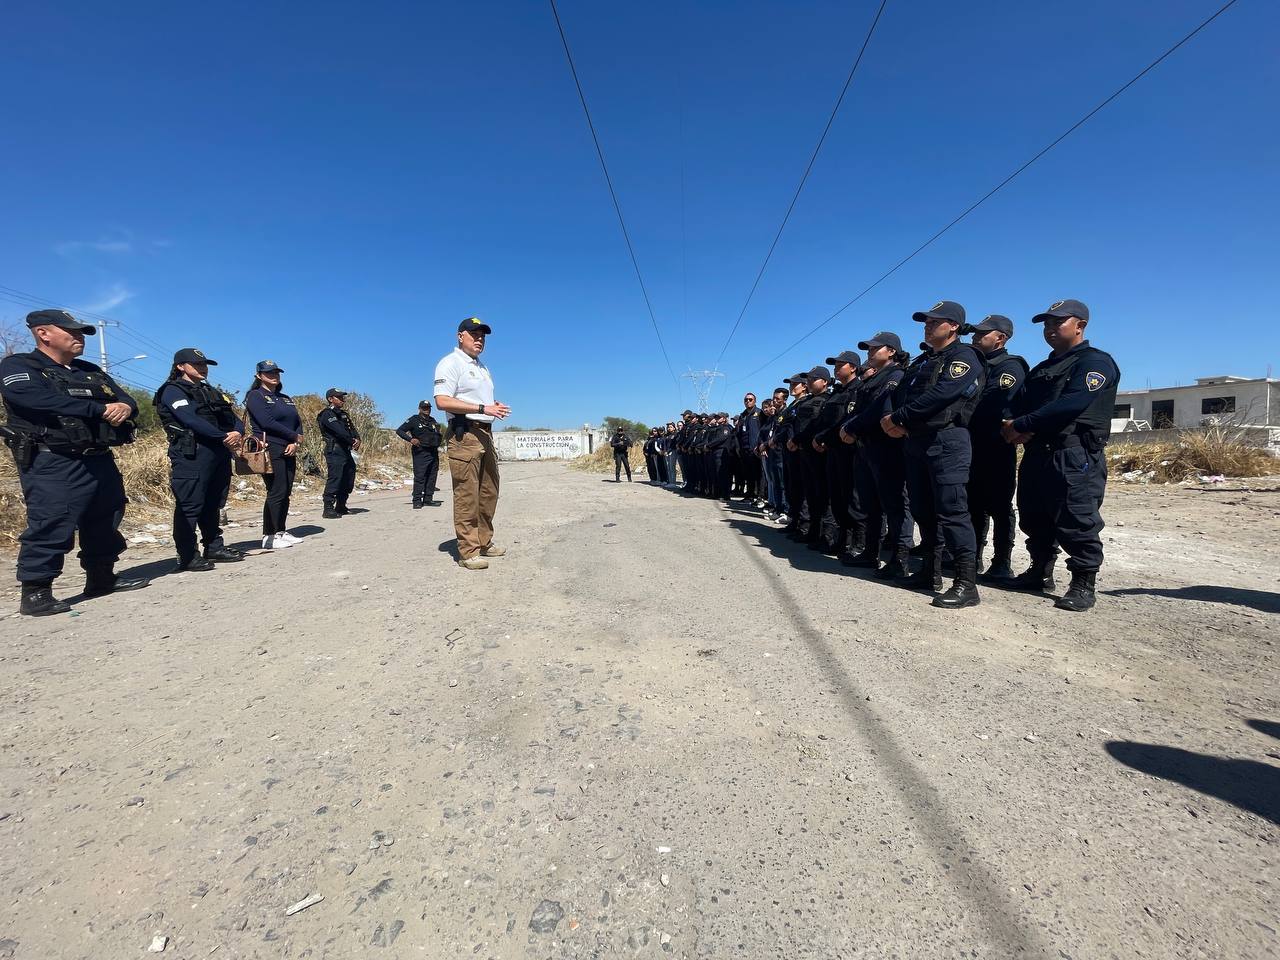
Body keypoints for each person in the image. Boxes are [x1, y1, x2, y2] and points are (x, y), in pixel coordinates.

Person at [0, 309, 150, 615]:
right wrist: (98, 410)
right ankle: (36, 591)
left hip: (98, 457)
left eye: (82, 332)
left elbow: (126, 400)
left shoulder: (89, 370)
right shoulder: (20, 367)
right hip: (53, 460)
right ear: (43, 333)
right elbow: (35, 399)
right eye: (72, 331)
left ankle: (101, 578)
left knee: (106, 517)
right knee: (52, 521)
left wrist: (125, 405)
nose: (80, 337)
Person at [1002, 299, 1119, 612]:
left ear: (1080, 325)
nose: (1050, 329)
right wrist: (1010, 423)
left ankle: (1083, 582)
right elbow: (1018, 403)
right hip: (1037, 452)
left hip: (1074, 453)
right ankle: (1039, 571)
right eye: (1047, 324)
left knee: (1076, 518)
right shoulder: (1043, 368)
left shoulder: (1095, 362)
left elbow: (1071, 402)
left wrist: (1023, 424)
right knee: (1034, 514)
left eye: (1058, 322)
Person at [882, 301, 985, 609]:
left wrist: (899, 419)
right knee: (923, 510)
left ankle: (966, 584)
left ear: (953, 326)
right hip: (917, 442)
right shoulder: (922, 361)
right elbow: (898, 394)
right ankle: (930, 572)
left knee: (952, 512)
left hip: (947, 442)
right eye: (925, 322)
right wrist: (895, 419)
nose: (927, 326)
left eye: (934, 321)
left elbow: (943, 395)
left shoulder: (964, 356)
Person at [153, 348, 246, 572]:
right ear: (180, 366)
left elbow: (233, 418)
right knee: (190, 505)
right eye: (197, 364)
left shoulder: (210, 391)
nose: (203, 368)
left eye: (204, 364)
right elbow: (190, 419)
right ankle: (187, 555)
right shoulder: (172, 391)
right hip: (192, 454)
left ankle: (214, 547)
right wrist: (224, 436)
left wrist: (237, 432)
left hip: (218, 453)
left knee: (214, 503)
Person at [434, 317, 510, 570]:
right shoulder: (450, 363)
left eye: (483, 336)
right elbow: (442, 401)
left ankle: (484, 541)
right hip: (463, 434)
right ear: (460, 336)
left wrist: (491, 407)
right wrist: (482, 408)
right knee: (467, 493)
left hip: (485, 433)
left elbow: (481, 401)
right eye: (474, 334)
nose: (479, 339)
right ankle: (468, 551)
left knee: (489, 491)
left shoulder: (482, 367)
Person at [841, 332, 912, 577]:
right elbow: (860, 409)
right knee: (870, 504)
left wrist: (851, 427)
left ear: (891, 351)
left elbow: (879, 408)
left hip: (885, 448)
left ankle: (900, 558)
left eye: (874, 349)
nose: (869, 353)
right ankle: (870, 553)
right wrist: (850, 427)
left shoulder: (896, 375)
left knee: (894, 504)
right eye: (868, 349)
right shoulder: (871, 380)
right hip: (866, 447)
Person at [966, 316, 1028, 581]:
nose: (974, 338)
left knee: (1000, 506)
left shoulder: (1009, 366)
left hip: (995, 444)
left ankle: (1002, 561)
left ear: (1000, 338)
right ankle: (972, 558)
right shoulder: (974, 364)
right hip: (971, 444)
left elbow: (994, 404)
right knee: (973, 504)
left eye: (981, 334)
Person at [244, 360, 305, 550]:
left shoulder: (285, 398)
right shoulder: (256, 396)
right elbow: (266, 421)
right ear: (259, 376)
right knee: (276, 490)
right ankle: (269, 534)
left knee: (285, 491)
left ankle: (280, 531)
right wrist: (293, 436)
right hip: (270, 447)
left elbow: (296, 420)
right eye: (269, 373)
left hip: (289, 447)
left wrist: (295, 441)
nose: (274, 376)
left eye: (276, 373)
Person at [814, 351, 863, 558]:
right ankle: (842, 539)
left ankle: (858, 543)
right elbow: (826, 421)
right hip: (833, 449)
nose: (836, 367)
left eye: (840, 364)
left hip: (848, 450)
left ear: (852, 367)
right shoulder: (836, 392)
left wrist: (824, 436)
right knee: (837, 498)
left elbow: (845, 421)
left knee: (852, 498)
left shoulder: (858, 389)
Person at [790, 367, 831, 546]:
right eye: (808, 379)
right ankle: (812, 531)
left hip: (819, 451)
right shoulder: (806, 402)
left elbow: (819, 425)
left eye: (814, 378)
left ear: (825, 382)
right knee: (810, 494)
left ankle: (826, 534)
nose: (809, 381)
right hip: (804, 451)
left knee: (822, 494)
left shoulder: (827, 400)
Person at [317, 387, 361, 519]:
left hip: (346, 449)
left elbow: (351, 429)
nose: (343, 400)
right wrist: (350, 440)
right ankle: (328, 508)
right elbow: (338, 431)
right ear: (331, 399)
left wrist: (357, 439)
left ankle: (341, 505)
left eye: (343, 397)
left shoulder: (343, 414)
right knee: (335, 477)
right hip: (335, 449)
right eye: (339, 397)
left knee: (348, 477)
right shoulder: (327, 414)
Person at [396, 400, 443, 508]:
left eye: (428, 408)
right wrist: (411, 439)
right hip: (420, 451)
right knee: (420, 476)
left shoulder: (432, 420)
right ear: (420, 409)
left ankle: (428, 499)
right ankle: (417, 500)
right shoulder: (414, 419)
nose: (427, 410)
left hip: (433, 451)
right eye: (424, 408)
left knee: (432, 475)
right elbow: (400, 431)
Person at [735, 393, 762, 501]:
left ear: (755, 401)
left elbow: (763, 430)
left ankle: (758, 495)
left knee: (758, 474)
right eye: (746, 400)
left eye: (750, 399)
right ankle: (749, 494)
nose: (748, 401)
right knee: (748, 473)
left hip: (755, 449)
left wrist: (759, 445)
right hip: (744, 449)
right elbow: (738, 433)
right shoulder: (742, 415)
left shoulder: (759, 413)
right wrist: (739, 448)